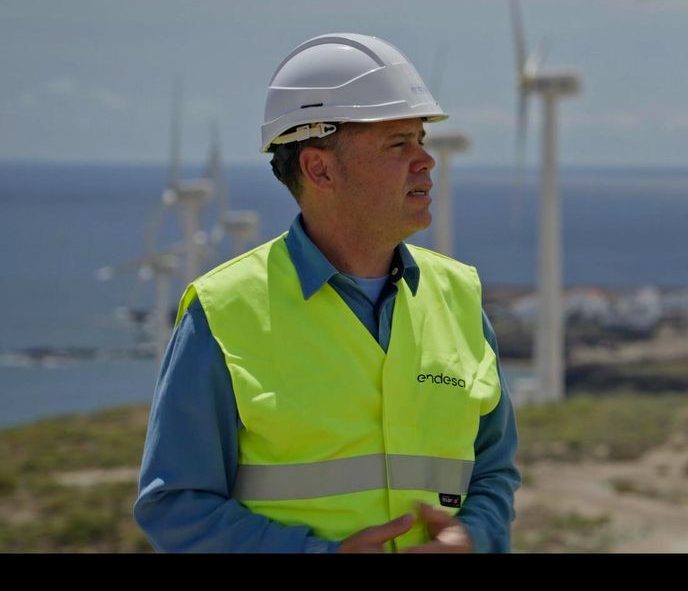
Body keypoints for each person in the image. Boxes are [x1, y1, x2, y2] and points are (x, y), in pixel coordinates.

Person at [135, 33, 519, 553]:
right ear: (320, 168)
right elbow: (176, 504)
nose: (426, 161)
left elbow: (493, 473)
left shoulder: (459, 294)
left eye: (421, 140)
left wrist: (472, 536)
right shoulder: (223, 311)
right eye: (397, 143)